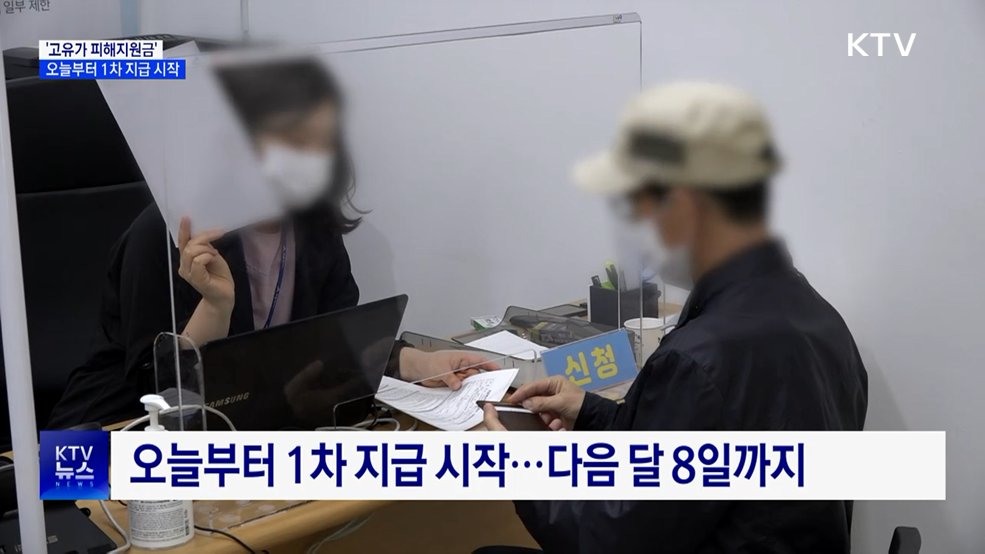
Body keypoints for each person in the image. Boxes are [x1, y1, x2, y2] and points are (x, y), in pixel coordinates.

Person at [483, 82, 869, 553]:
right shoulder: (819, 318)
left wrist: (516, 469)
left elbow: (608, 542)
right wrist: (589, 411)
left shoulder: (701, 358)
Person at [48, 57, 494, 428]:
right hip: (109, 435)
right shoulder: (164, 232)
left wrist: (418, 364)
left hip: (244, 423)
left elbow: (334, 340)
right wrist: (215, 308)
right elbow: (160, 392)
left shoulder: (314, 228)